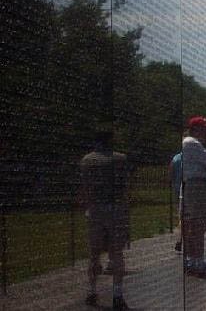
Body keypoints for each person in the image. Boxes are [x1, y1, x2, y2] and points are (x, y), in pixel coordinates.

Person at [79, 127, 130, 310]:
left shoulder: (86, 161)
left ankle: (92, 291)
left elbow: (84, 188)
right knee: (116, 254)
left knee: (93, 254)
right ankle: (117, 294)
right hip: (115, 209)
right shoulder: (120, 159)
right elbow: (124, 187)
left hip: (95, 210)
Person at [181, 116, 206, 279]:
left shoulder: (192, 143)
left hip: (196, 184)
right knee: (198, 225)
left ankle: (192, 261)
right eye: (205, 128)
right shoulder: (192, 143)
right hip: (198, 184)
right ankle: (198, 262)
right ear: (196, 128)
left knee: (195, 224)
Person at [169, 150, 183, 252]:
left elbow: (171, 175)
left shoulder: (176, 158)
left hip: (179, 191)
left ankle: (180, 239)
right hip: (191, 192)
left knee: (181, 217)